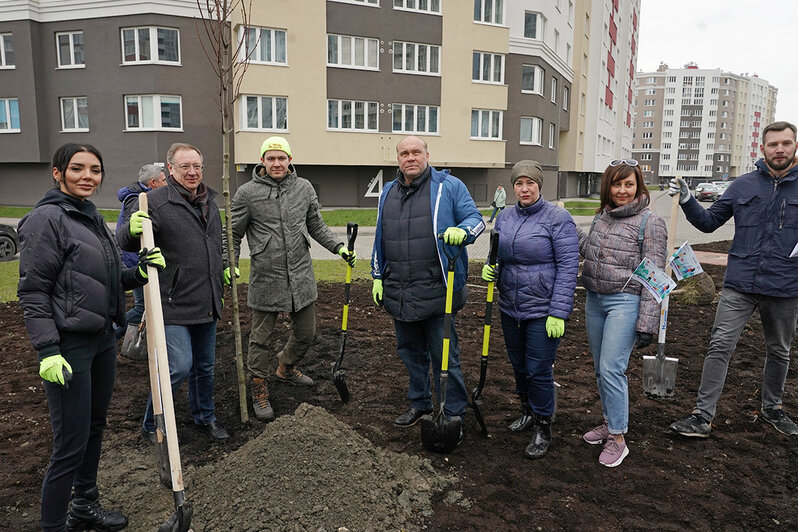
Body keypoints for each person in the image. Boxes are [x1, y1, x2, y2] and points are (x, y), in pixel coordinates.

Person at [17, 143, 164, 531]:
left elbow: (108, 278)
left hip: (101, 339)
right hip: (68, 347)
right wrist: (47, 350)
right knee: (70, 443)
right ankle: (53, 525)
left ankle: (84, 504)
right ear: (57, 172)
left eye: (95, 170)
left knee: (95, 428)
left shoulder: (92, 216)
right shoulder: (45, 219)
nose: (87, 176)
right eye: (78, 168)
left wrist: (140, 273)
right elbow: (33, 291)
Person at [668, 121, 798, 438]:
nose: (779, 149)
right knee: (719, 345)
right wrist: (687, 200)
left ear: (795, 146)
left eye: (785, 143)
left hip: (785, 286)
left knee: (779, 350)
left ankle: (772, 409)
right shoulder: (743, 186)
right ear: (762, 149)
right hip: (740, 283)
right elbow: (710, 223)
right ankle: (702, 416)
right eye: (773, 144)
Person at [229, 136, 355, 422]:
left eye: (281, 158)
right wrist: (230, 264)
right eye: (270, 158)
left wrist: (339, 247)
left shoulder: (304, 188)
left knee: (306, 332)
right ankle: (259, 388)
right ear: (262, 161)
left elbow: (315, 225)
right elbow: (233, 233)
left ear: (289, 160)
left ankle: (285, 367)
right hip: (266, 275)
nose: (276, 163)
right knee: (260, 339)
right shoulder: (247, 193)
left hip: (300, 273)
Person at [371, 135, 484, 441]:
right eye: (404, 153)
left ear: (427, 154)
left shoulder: (449, 187)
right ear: (398, 159)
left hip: (439, 291)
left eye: (416, 152)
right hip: (400, 291)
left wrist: (463, 232)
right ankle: (420, 404)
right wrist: (377, 275)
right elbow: (380, 237)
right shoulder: (387, 193)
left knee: (445, 357)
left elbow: (476, 220)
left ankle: (453, 413)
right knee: (410, 353)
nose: (411, 157)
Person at [119, 142, 231, 442]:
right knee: (178, 367)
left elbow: (215, 244)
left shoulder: (210, 202)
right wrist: (131, 228)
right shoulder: (154, 201)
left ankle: (204, 418)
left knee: (204, 368)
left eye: (197, 166)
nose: (192, 172)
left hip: (207, 300)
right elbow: (127, 242)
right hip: (173, 302)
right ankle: (151, 425)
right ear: (170, 169)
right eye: (185, 166)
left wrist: (223, 270)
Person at [481, 161, 579, 459]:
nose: (524, 189)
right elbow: (496, 254)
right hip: (510, 306)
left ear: (539, 185)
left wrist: (558, 312)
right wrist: (491, 269)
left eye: (530, 183)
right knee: (518, 364)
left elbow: (568, 267)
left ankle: (542, 425)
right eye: (519, 184)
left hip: (542, 309)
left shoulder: (558, 218)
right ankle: (526, 411)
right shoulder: (505, 217)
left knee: (538, 370)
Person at [577, 159, 667, 467]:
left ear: (639, 186)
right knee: (601, 370)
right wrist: (570, 230)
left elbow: (654, 276)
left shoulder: (650, 222)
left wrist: (647, 323)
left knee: (612, 368)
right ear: (608, 187)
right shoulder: (602, 215)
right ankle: (609, 420)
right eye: (617, 184)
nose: (622, 190)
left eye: (629, 184)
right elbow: (593, 251)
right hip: (595, 301)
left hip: (624, 302)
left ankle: (618, 437)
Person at [114, 163, 167, 341]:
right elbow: (129, 234)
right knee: (142, 307)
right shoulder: (137, 200)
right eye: (164, 180)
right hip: (135, 262)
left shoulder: (138, 196)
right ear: (153, 182)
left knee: (146, 306)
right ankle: (110, 334)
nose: (166, 184)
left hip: (137, 260)